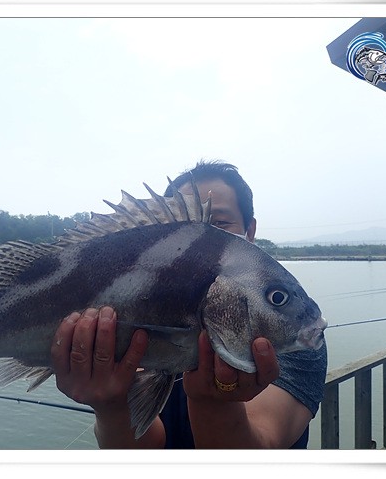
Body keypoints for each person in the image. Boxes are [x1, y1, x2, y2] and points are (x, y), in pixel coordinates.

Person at [50, 160, 327, 448]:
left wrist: (214, 402)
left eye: (220, 223)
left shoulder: (292, 340)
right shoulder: (147, 299)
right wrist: (111, 406)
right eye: (188, 225)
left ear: (250, 230)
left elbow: (260, 450)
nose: (204, 237)